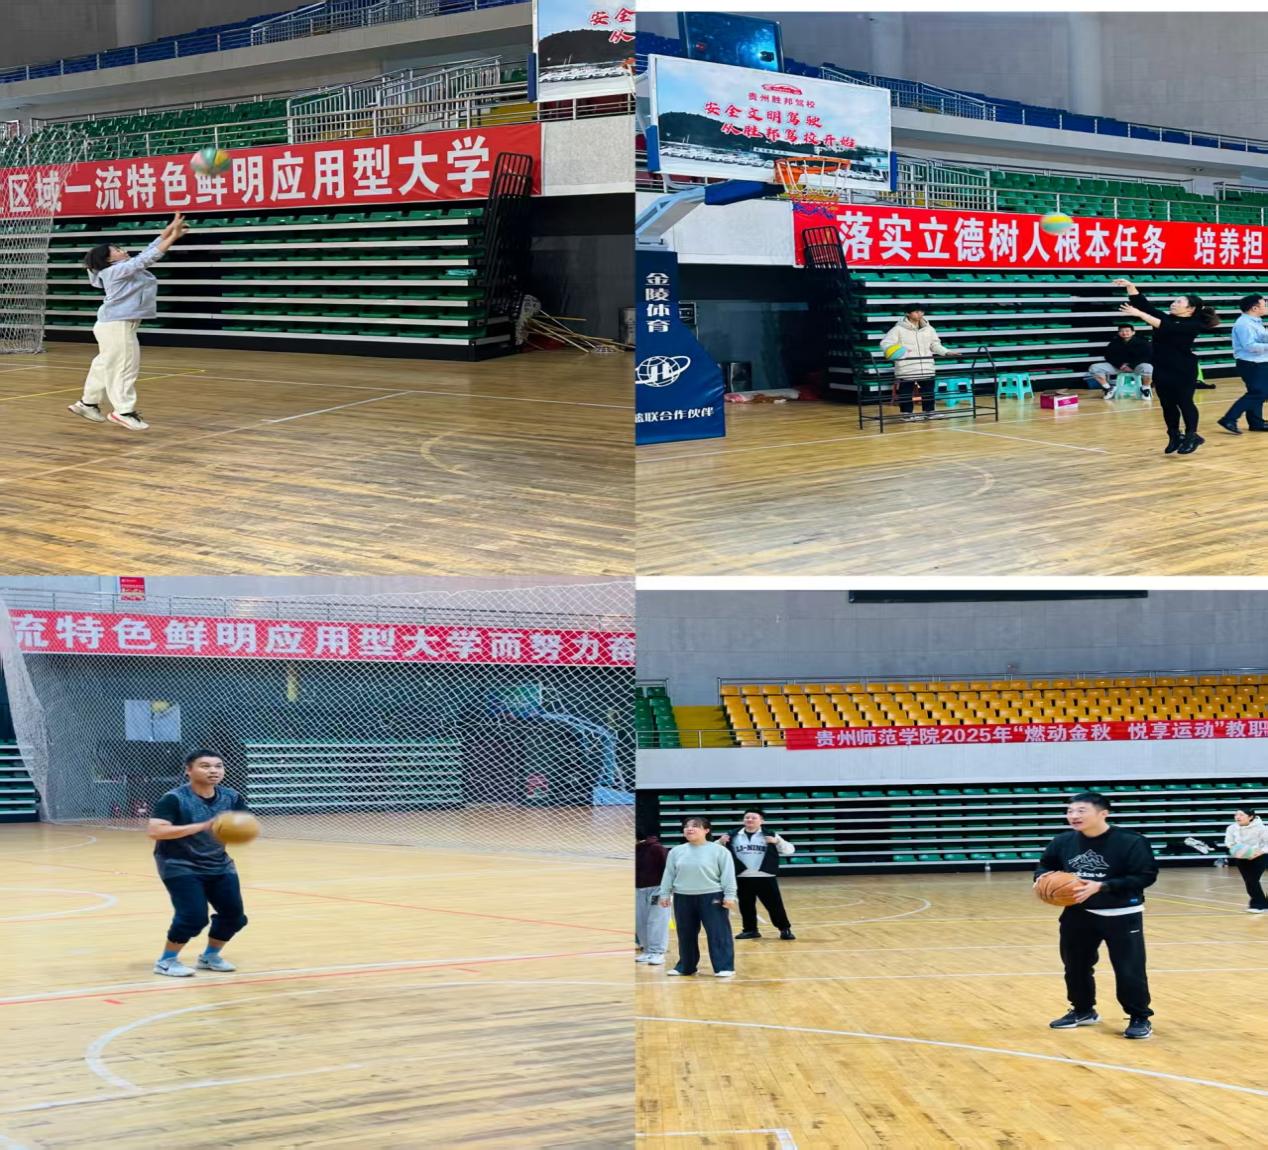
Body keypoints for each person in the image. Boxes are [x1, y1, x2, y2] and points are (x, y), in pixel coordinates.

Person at [1035, 791, 1158, 1040]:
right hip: (1078, 912)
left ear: (1103, 813)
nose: (1074, 815)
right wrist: (1041, 879)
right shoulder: (1062, 841)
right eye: (1070, 811)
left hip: (1122, 913)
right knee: (1075, 966)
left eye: (1081, 810)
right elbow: (1045, 865)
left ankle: (1139, 1016)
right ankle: (1083, 1010)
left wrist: (1102, 886)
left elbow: (1146, 876)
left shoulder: (1131, 841)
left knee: (1129, 969)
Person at [69, 212, 191, 431]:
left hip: (111, 325)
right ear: (109, 259)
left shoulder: (119, 268)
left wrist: (170, 229)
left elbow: (148, 250)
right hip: (117, 326)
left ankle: (88, 403)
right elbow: (148, 258)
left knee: (104, 365)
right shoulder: (115, 271)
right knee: (125, 367)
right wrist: (172, 237)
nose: (121, 249)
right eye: (116, 249)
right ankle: (123, 411)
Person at [148, 748, 251, 977]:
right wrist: (203, 826)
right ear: (189, 770)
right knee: (193, 917)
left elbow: (243, 822)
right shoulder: (174, 798)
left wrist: (241, 829)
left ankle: (209, 957)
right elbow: (156, 831)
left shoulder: (231, 797)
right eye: (205, 766)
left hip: (219, 863)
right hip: (178, 864)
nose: (213, 770)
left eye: (218, 766)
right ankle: (166, 961)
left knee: (234, 917)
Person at [1114, 278, 1220, 455]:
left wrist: (1140, 315)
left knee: (1185, 402)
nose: (1173, 303)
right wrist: (1131, 286)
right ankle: (1174, 435)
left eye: (1179, 302)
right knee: (1167, 404)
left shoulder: (1193, 324)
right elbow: (1145, 306)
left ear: (1190, 309)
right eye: (1174, 301)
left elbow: (1167, 327)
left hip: (1183, 369)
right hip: (1162, 367)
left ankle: (1192, 436)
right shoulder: (1167, 318)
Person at [657, 816, 738, 977]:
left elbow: (728, 875)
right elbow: (669, 874)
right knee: (685, 933)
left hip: (712, 896)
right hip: (683, 897)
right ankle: (686, 967)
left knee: (718, 932)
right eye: (686, 826)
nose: (689, 829)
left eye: (695, 826)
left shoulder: (719, 851)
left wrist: (730, 895)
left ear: (706, 830)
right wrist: (664, 893)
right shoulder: (676, 851)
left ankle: (724, 967)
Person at [717, 808, 796, 941]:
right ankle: (750, 930)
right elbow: (714, 850)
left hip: (765, 876)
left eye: (754, 818)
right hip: (742, 876)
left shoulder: (771, 834)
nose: (749, 820)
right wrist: (720, 842)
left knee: (774, 906)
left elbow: (790, 850)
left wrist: (777, 842)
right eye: (747, 817)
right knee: (746, 906)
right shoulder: (733, 835)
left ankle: (784, 929)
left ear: (761, 821)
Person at [879, 304, 963, 422]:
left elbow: (935, 345)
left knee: (928, 391)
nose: (920, 314)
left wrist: (946, 352)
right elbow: (885, 344)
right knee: (906, 392)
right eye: (916, 312)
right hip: (906, 367)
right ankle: (907, 414)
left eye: (921, 312)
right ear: (907, 313)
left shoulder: (929, 329)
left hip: (927, 366)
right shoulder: (898, 329)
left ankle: (929, 412)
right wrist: (900, 352)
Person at [1217, 295, 1268, 435]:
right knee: (1260, 392)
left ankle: (1256, 423)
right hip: (1251, 363)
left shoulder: (1255, 321)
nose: (1266, 307)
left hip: (1258, 362)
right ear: (1254, 308)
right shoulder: (1244, 324)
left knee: (1256, 392)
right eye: (1264, 305)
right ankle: (1229, 418)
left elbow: (1261, 337)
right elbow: (1250, 346)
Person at [635, 824, 672, 965]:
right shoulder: (634, 850)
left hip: (658, 889)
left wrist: (667, 891)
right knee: (641, 920)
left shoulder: (656, 848)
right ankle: (647, 950)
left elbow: (669, 869)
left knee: (657, 920)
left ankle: (657, 952)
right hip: (639, 890)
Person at [1086, 323, 1153, 398]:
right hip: (1119, 367)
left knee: (1148, 367)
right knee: (1094, 367)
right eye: (1121, 331)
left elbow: (1147, 356)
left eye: (1127, 331)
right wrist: (1119, 365)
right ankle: (1108, 388)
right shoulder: (1114, 343)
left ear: (1133, 332)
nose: (1124, 333)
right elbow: (1108, 356)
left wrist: (1131, 366)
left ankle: (1145, 389)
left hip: (1136, 366)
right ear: (1118, 333)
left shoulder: (1143, 343)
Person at [1224, 807, 1268, 912]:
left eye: (1241, 815)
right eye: (1236, 815)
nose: (1237, 817)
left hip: (1260, 856)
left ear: (1250, 817)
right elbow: (1229, 842)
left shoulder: (1262, 828)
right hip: (1241, 857)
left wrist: (1258, 852)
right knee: (1249, 881)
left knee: (1252, 880)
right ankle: (1263, 904)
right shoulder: (1231, 828)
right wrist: (1236, 849)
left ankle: (1257, 905)